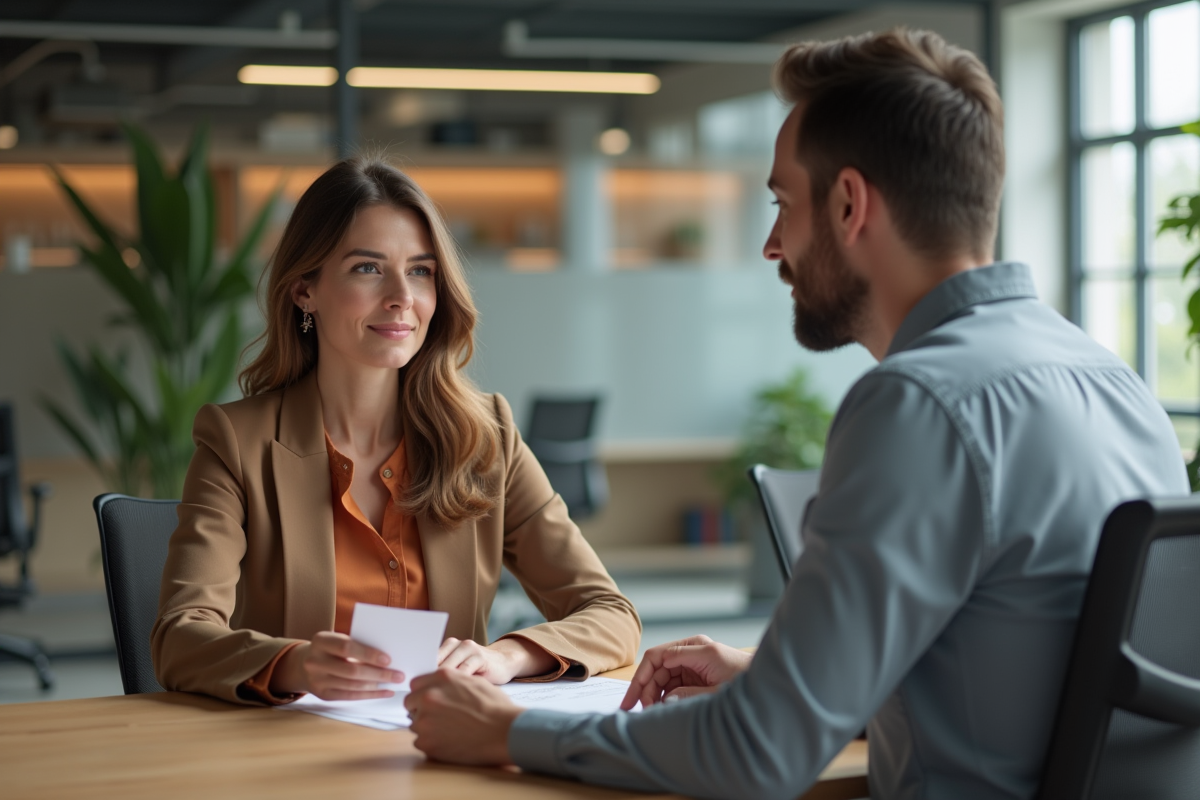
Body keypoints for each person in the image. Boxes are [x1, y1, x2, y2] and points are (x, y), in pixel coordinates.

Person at [401, 28, 1189, 800]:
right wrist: (779, 677)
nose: (773, 245)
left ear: (850, 204)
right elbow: (1030, 672)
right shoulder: (1111, 380)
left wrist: (506, 732)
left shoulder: (919, 405)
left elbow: (755, 755)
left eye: (783, 203)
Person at [152, 158, 640, 705]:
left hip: (447, 744)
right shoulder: (237, 443)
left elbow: (611, 615)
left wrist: (505, 655)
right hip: (293, 753)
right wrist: (297, 664)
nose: (401, 297)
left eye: (420, 271)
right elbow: (180, 636)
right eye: (367, 268)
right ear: (303, 291)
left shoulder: (488, 437)